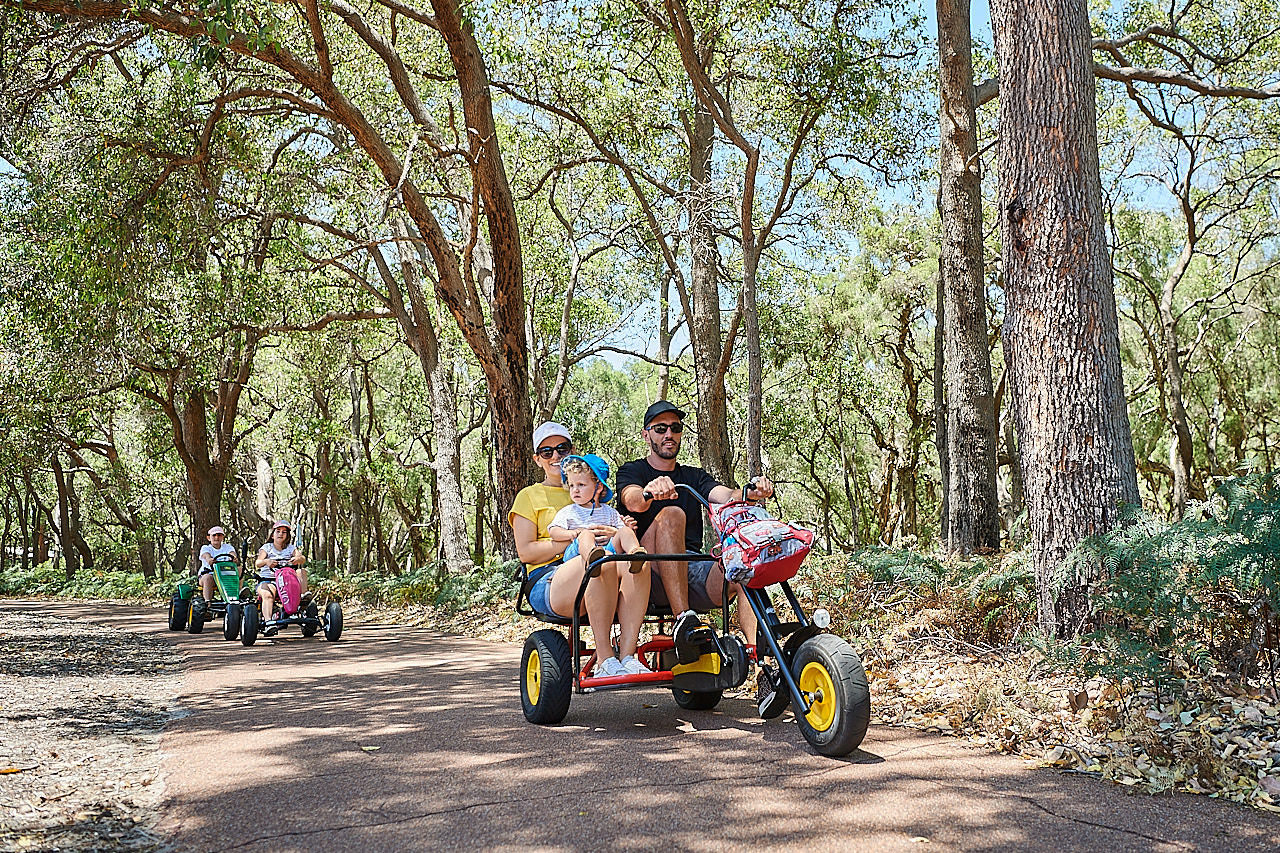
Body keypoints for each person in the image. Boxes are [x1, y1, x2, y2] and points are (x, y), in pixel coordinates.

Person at [616, 400, 772, 661]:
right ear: (646, 435)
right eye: (660, 428)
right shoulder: (633, 470)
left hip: (691, 568)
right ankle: (684, 623)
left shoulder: (693, 476)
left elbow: (725, 495)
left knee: (741, 569)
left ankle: (760, 662)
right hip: (646, 574)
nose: (669, 434)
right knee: (673, 514)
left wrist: (751, 492)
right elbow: (631, 499)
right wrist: (650, 492)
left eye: (675, 428)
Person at [510, 422, 652, 677]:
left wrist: (615, 531)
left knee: (637, 561)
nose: (555, 456)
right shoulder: (529, 497)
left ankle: (628, 656)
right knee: (602, 560)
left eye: (561, 449)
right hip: (549, 578)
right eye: (546, 452)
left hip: (603, 565)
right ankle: (605, 661)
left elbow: (615, 526)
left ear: (571, 452)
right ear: (537, 458)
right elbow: (526, 553)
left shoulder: (589, 488)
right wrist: (580, 536)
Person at [547, 454, 651, 673]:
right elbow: (553, 531)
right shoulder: (569, 511)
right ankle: (592, 555)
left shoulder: (609, 512)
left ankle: (635, 554)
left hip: (609, 553)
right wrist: (573, 533)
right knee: (587, 535)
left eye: (581, 485)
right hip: (578, 554)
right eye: (572, 485)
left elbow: (621, 529)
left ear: (598, 488)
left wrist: (625, 531)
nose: (574, 490)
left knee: (624, 531)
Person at [253, 520, 309, 634]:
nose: (280, 534)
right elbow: (257, 563)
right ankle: (269, 623)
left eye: (284, 532)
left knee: (301, 571)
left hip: (288, 582)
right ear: (273, 534)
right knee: (268, 595)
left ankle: (302, 597)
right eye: (278, 531)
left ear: (287, 535)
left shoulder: (290, 548)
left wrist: (297, 559)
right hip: (270, 581)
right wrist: (266, 561)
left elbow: (301, 558)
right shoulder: (267, 548)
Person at [197, 525, 238, 603]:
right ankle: (207, 602)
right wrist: (209, 559)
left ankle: (237, 595)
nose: (216, 537)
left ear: (222, 537)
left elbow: (232, 554)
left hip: (225, 576)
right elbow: (206, 555)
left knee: (240, 569)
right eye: (214, 535)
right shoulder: (206, 548)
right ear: (209, 538)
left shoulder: (227, 547)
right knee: (207, 578)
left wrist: (234, 558)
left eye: (219, 535)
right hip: (210, 575)